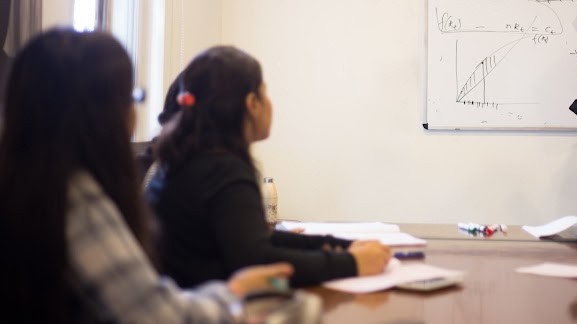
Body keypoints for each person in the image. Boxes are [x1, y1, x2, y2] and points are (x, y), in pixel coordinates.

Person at [0, 28, 293, 322]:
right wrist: (236, 290)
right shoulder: (75, 201)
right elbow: (159, 316)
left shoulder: (25, 188)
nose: (134, 114)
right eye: (130, 98)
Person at [146, 45, 392, 288]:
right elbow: (258, 261)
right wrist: (351, 263)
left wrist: (340, 246)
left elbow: (254, 239)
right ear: (252, 103)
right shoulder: (222, 170)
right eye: (265, 93)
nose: (270, 103)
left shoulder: (188, 159)